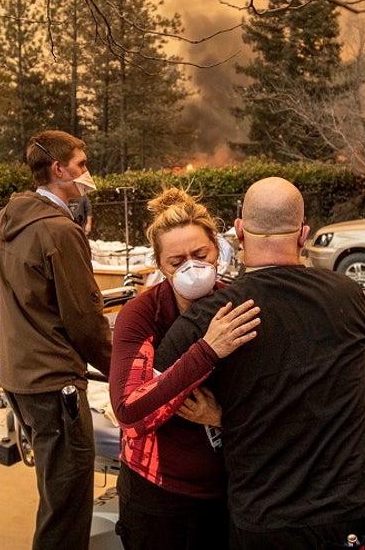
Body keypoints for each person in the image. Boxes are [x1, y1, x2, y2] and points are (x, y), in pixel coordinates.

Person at [156, 177, 365, 550]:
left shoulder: (215, 317)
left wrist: (222, 416)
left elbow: (157, 391)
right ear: (303, 234)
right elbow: (337, 381)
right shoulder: (350, 296)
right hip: (352, 511)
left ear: (239, 231)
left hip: (267, 519)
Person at [0, 130, 113, 550]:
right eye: (82, 165)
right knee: (68, 503)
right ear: (58, 169)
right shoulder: (59, 231)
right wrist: (124, 373)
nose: (87, 174)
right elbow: (84, 319)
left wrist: (14, 351)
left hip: (20, 377)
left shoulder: (11, 222)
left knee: (53, 489)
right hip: (56, 385)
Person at [109, 188, 261, 550]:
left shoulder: (239, 305)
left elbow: (271, 400)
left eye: (200, 254)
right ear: (160, 265)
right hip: (159, 498)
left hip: (229, 492)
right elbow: (130, 411)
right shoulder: (142, 316)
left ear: (218, 251)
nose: (191, 268)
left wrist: (222, 418)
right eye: (177, 262)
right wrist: (208, 350)